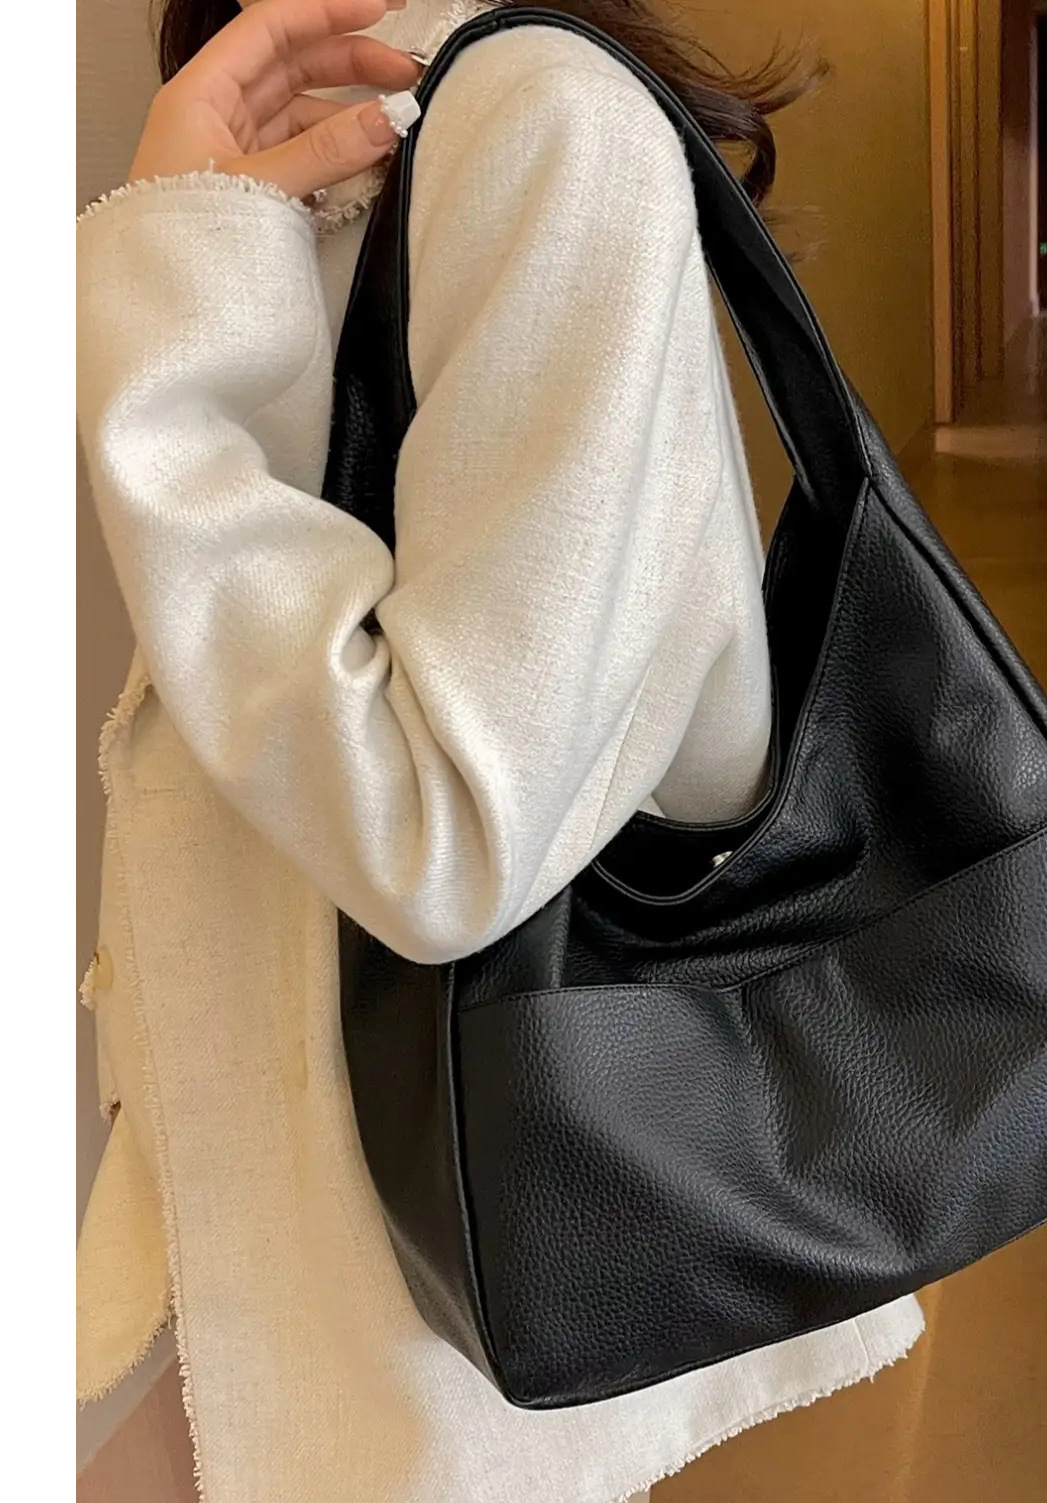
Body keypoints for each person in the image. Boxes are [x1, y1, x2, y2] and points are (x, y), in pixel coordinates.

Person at [75, 2, 924, 1499]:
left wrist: (163, 359)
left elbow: (448, 826)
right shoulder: (343, 127)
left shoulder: (540, 118)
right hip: (318, 1176)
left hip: (439, 1226)